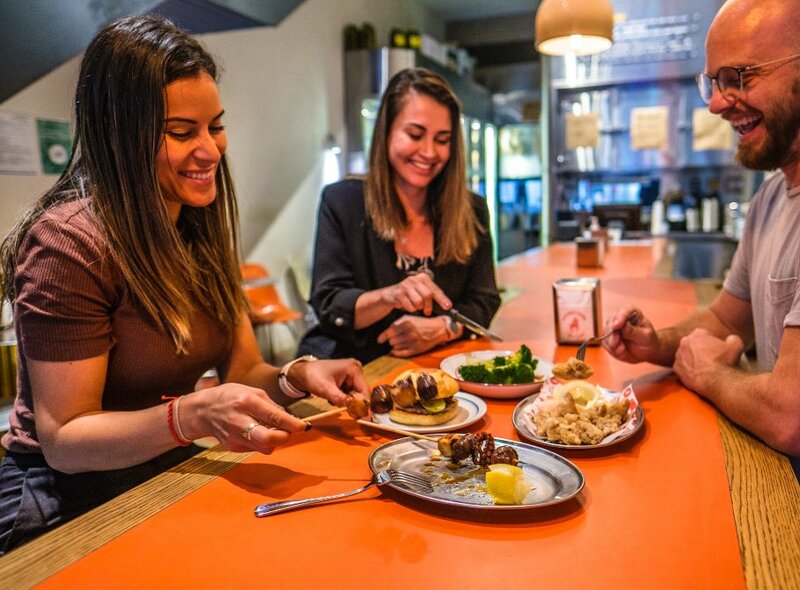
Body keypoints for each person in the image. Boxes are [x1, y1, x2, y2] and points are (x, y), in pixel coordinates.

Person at [0, 15, 369, 553]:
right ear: (119, 135)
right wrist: (194, 413)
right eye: (181, 132)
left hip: (161, 467)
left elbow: (243, 370)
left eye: (215, 125)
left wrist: (297, 376)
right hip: (59, 496)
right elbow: (65, 440)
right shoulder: (67, 244)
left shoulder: (199, 219)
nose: (211, 151)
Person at [603, 1, 800, 587]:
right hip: (788, 491)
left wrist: (705, 372)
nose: (715, 102)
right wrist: (662, 344)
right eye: (714, 80)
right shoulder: (777, 194)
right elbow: (729, 321)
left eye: (741, 78)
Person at [299, 67, 501, 363]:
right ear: (386, 131)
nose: (429, 152)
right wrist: (390, 295)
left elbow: (484, 301)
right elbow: (330, 304)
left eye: (442, 139)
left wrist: (445, 327)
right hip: (355, 369)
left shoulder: (472, 210)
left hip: (440, 366)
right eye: (415, 134)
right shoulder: (343, 201)